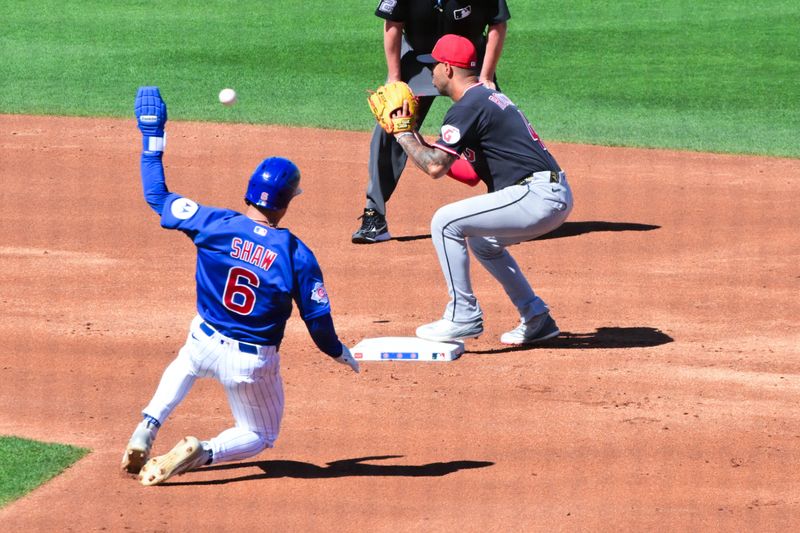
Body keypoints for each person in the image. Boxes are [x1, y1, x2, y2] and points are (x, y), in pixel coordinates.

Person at [121, 87, 360, 486]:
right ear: (286, 203)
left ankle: (148, 424)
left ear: (249, 191)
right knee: (260, 434)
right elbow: (319, 326)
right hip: (250, 364)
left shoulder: (213, 223)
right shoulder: (296, 254)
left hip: (203, 337)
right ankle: (205, 452)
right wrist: (338, 353)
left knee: (185, 364)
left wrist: (152, 135)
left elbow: (156, 195)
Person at [389, 34, 574, 344]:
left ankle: (463, 314)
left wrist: (402, 134)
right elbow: (469, 173)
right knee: (483, 243)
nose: (430, 72)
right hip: (550, 194)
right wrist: (416, 141)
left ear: (447, 69)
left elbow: (434, 167)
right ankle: (536, 316)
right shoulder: (485, 99)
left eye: (433, 66)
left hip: (536, 195)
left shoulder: (468, 106)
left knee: (444, 221)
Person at [352, 0, 511, 244]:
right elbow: (393, 24)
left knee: (492, 123)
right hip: (417, 59)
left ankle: (505, 211)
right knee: (390, 122)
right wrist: (395, 79)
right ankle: (375, 216)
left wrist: (487, 76)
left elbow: (497, 25)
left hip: (467, 64)